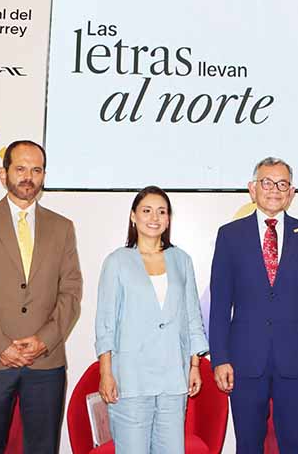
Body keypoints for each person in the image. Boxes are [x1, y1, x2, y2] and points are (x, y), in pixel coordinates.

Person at [0, 139, 83, 454]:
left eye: (36, 170)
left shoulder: (62, 227)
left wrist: (45, 339)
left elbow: (71, 290)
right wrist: (0, 346)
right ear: (4, 174)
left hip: (45, 363)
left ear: (43, 176)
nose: (28, 177)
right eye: (21, 168)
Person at [209, 157, 298, 454]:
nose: (274, 190)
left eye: (282, 184)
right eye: (266, 182)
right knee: (248, 445)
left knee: (292, 445)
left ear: (291, 192)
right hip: (245, 361)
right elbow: (220, 303)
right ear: (252, 189)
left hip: (297, 362)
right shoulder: (229, 235)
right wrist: (220, 358)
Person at [95, 186, 208, 453]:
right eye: (146, 210)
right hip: (131, 378)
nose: (154, 217)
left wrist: (194, 365)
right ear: (133, 216)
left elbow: (192, 315)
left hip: (173, 378)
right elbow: (105, 323)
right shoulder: (117, 261)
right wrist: (106, 373)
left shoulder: (181, 260)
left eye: (161, 211)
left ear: (169, 219)